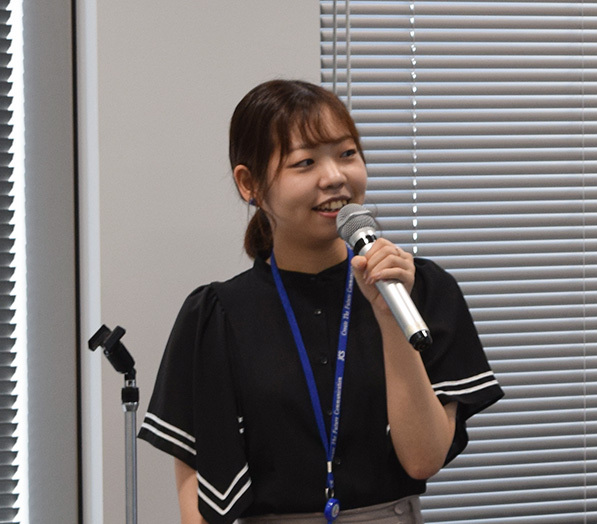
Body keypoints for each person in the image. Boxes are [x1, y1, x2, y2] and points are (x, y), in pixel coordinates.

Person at [139, 79, 503, 524]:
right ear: (250, 183)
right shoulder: (216, 316)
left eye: (347, 153)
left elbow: (423, 460)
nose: (334, 177)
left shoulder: (420, 290)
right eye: (305, 162)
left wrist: (390, 316)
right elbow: (199, 496)